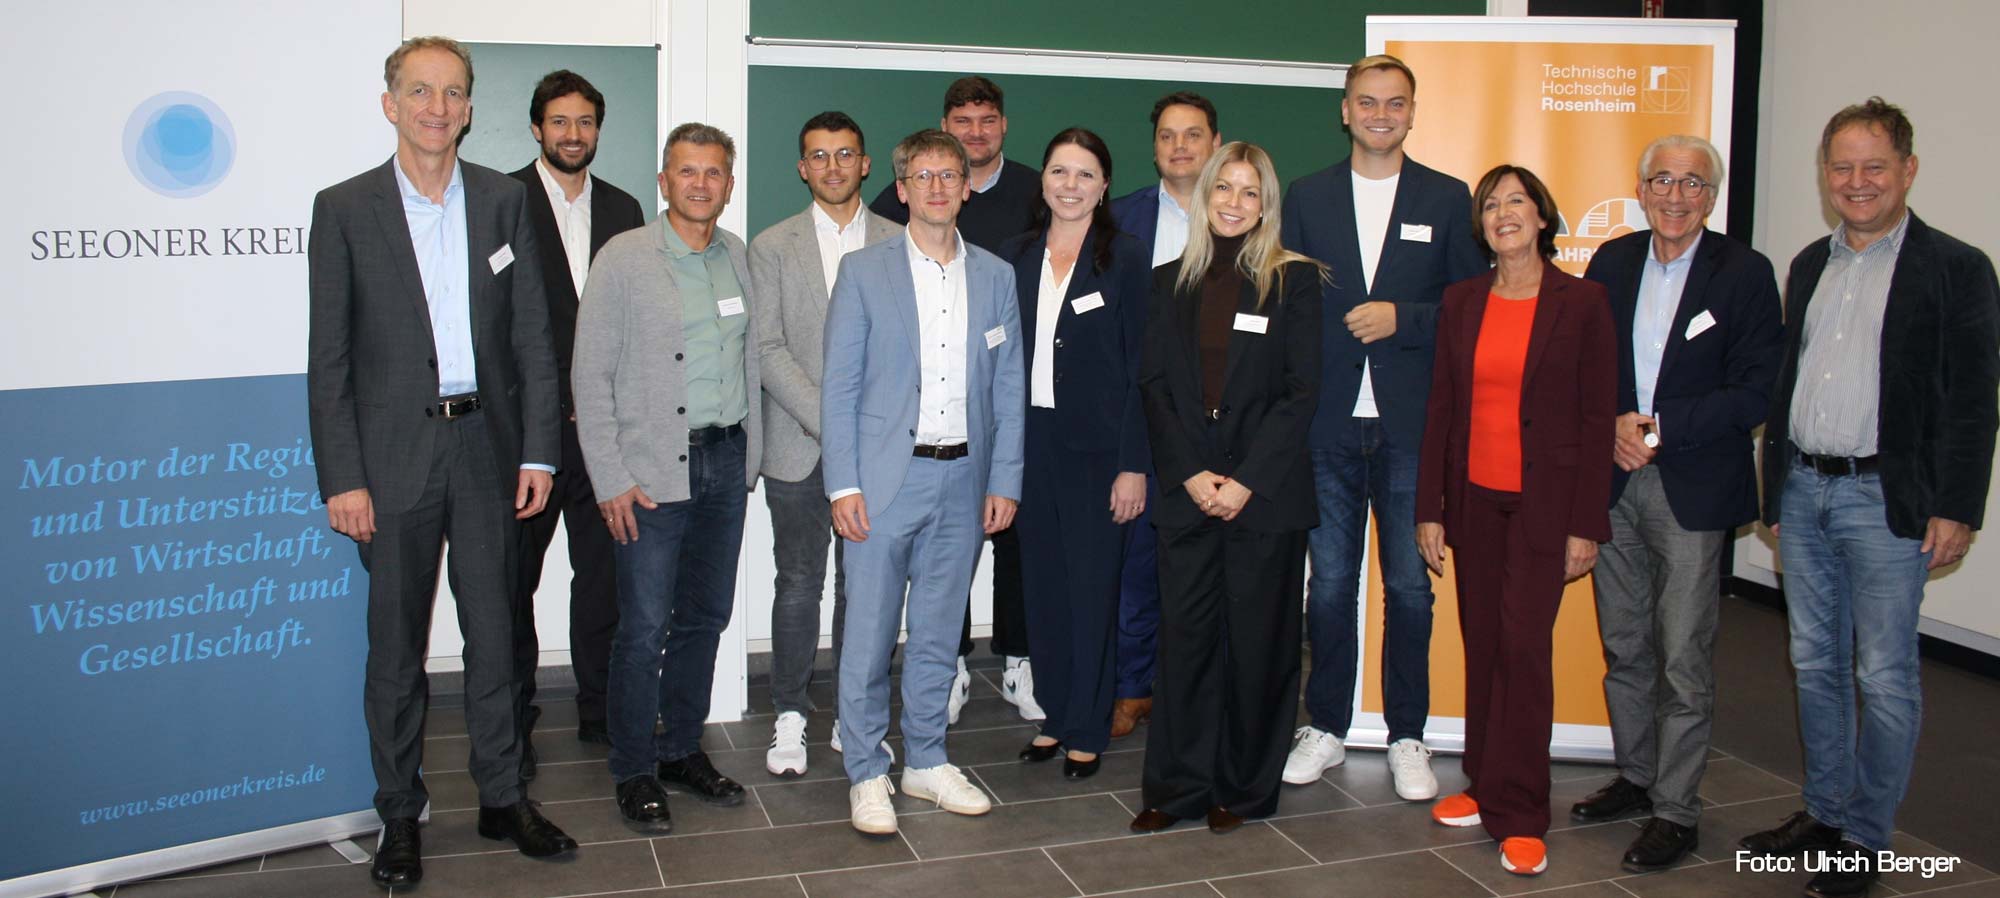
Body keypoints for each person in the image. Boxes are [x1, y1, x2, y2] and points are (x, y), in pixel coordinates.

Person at [306, 36, 576, 888]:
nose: (437, 107)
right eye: (420, 91)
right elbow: (329, 359)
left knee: (497, 635)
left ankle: (504, 795)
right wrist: (343, 477)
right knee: (396, 649)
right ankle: (399, 813)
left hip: (488, 450)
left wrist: (540, 451)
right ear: (391, 104)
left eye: (452, 92)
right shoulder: (344, 208)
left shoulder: (502, 200)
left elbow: (533, 337)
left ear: (468, 109)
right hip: (390, 460)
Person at [1742, 97, 1999, 898]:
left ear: (1908, 170)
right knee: (1813, 663)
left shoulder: (1956, 267)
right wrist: (1775, 490)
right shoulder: (1809, 263)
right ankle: (1824, 815)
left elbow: (1973, 401)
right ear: (1825, 174)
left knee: (1883, 675)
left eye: (1874, 166)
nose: (1857, 181)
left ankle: (1864, 838)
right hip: (1805, 491)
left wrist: (1956, 506)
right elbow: (1790, 380)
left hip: (1887, 499)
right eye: (1842, 167)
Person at [1279, 54, 1487, 798]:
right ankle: (1327, 726)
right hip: (1327, 424)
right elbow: (1286, 303)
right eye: (1366, 102)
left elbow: (1472, 306)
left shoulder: (1447, 196)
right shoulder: (1308, 196)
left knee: (1409, 589)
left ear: (1412, 112)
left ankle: (1407, 735)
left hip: (1410, 428)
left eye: (1395, 103)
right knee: (1331, 587)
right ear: (1345, 110)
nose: (1380, 114)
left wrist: (1407, 319)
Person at [1575, 135, 1782, 873]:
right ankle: (1637, 776)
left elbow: (1755, 389)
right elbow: (1583, 365)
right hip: (1613, 479)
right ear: (1641, 190)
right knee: (1625, 644)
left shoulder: (1745, 273)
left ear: (1711, 197)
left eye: (1692, 183)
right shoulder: (1612, 262)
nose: (1675, 195)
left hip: (1690, 486)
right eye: (1662, 180)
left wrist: (1658, 428)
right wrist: (1612, 425)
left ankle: (1676, 811)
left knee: (1683, 657)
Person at [823, 129, 1025, 835]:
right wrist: (842, 485)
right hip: (883, 482)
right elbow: (839, 387)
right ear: (903, 189)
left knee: (940, 633)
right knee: (869, 636)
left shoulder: (997, 277)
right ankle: (866, 771)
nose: (937, 187)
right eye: (923, 176)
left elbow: (1008, 388)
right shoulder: (863, 271)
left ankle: (927, 760)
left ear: (967, 188)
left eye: (949, 176)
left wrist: (1005, 479)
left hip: (965, 481)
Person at [1415, 164, 1614, 877]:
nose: (1504, 213)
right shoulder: (1462, 300)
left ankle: (1524, 811)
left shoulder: (1583, 301)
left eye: (1517, 201)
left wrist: (1586, 524)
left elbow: (1597, 419)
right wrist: (1430, 509)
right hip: (1473, 501)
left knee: (1524, 652)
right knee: (1484, 644)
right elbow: (1442, 408)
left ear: (1542, 215)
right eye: (1492, 204)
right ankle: (1484, 783)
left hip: (1544, 508)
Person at [572, 123, 763, 834]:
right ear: (664, 181)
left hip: (725, 463)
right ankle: (633, 768)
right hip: (650, 472)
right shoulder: (623, 259)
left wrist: (750, 456)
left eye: (713, 172)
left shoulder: (736, 256)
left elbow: (749, 360)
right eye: (688, 171)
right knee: (643, 628)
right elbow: (590, 374)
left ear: (729, 185)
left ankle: (681, 748)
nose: (701, 184)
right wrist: (609, 477)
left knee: (705, 617)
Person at [1129, 142, 1324, 835]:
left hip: (1263, 496)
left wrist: (1244, 482)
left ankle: (1242, 790)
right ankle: (1177, 786)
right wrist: (1188, 472)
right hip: (1187, 491)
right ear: (1205, 196)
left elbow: (1301, 393)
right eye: (1224, 188)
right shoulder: (1166, 283)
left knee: (1259, 647)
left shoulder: (1295, 281)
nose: (1234, 203)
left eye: (1250, 192)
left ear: (1266, 205)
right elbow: (1154, 386)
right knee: (1186, 644)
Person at [870, 78, 1041, 721]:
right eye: (962, 121)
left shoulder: (1037, 191)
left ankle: (1020, 656)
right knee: (945, 548)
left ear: (1004, 125)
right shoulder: (904, 195)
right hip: (930, 407)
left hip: (1009, 389)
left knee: (1013, 535)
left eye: (987, 119)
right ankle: (954, 662)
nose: (975, 131)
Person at [748, 111, 901, 776]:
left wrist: (867, 428)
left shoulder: (899, 239)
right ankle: (789, 713)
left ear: (865, 164)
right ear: (802, 167)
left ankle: (852, 713)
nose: (832, 166)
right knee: (798, 582)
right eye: (819, 155)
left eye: (844, 154)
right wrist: (832, 421)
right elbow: (767, 348)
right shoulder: (771, 246)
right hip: (798, 445)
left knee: (863, 587)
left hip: (879, 450)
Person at [998, 128, 1151, 778]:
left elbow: (1143, 370)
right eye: (1060, 171)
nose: (1071, 185)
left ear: (1104, 185)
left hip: (1100, 455)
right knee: (1043, 592)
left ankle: (1089, 726)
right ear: (1043, 180)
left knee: (1092, 593)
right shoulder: (1014, 256)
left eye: (1085, 174)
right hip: (1029, 446)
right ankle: (1056, 716)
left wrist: (1133, 464)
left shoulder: (1127, 258)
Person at [507, 69, 647, 765]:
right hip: (525, 437)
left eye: (585, 122)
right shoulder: (499, 201)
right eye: (559, 121)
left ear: (598, 131)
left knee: (604, 582)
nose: (572, 134)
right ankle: (512, 724)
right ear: (537, 127)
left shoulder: (624, 209)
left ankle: (601, 709)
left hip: (605, 436)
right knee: (512, 585)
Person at [1104, 90, 1223, 738]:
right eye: (1168, 136)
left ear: (1214, 143)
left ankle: (1195, 692)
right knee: (1138, 561)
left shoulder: (1242, 213)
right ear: (1153, 148)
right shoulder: (1119, 220)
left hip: (1224, 420)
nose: (1180, 147)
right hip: (1147, 413)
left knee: (1210, 566)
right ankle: (1133, 687)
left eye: (1193, 135)